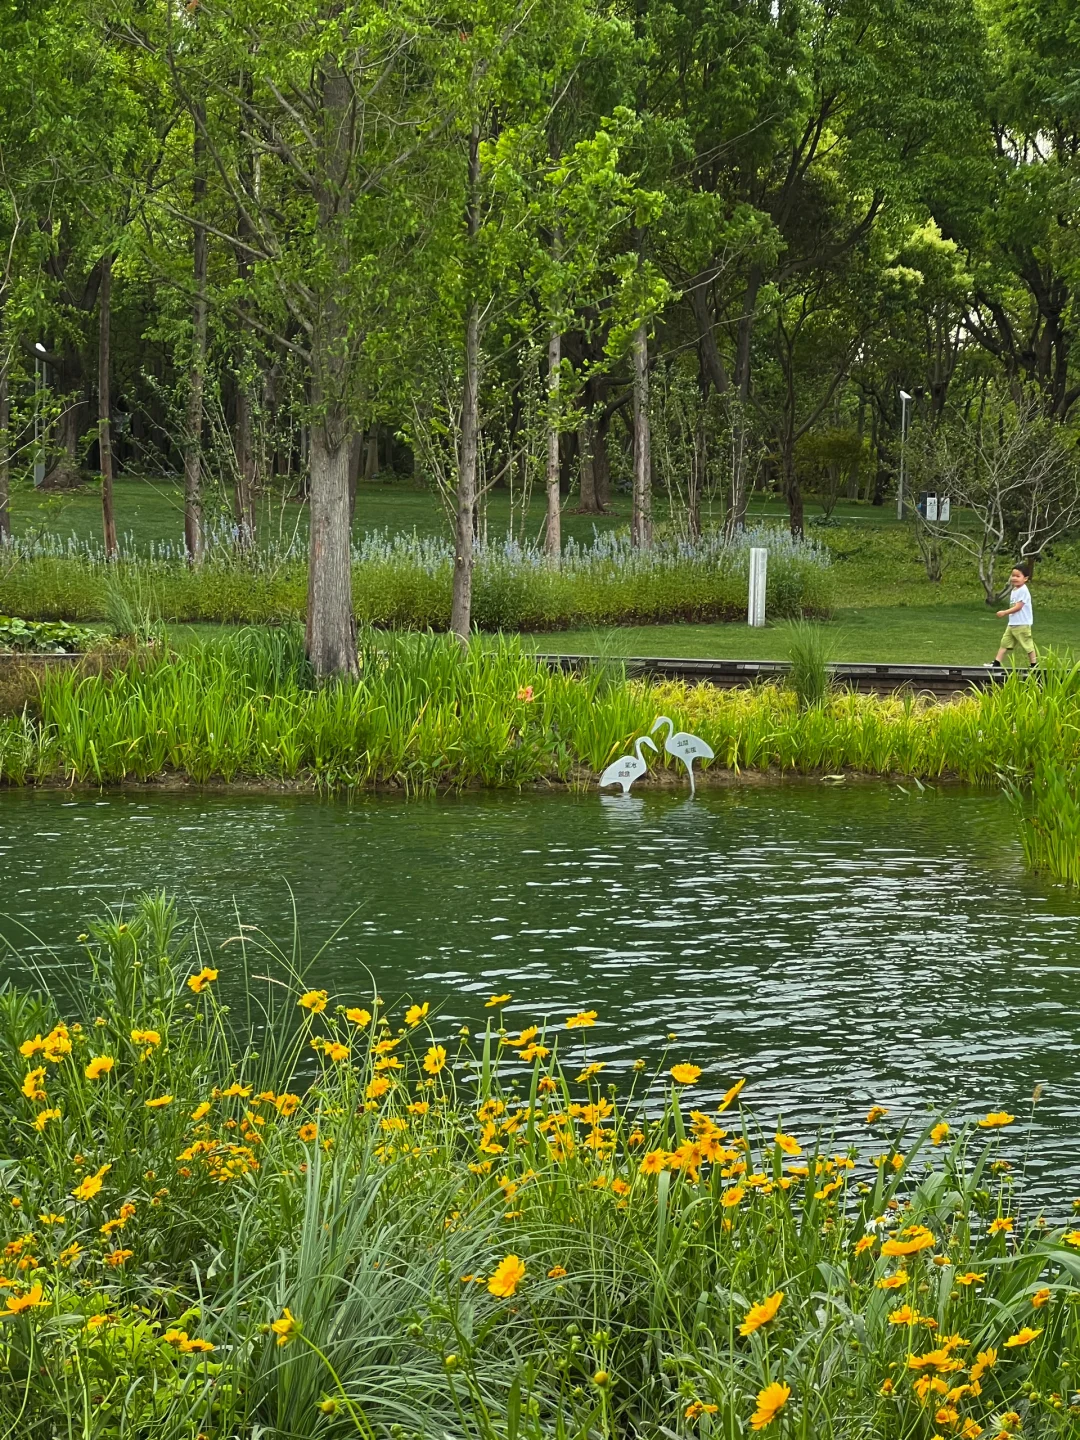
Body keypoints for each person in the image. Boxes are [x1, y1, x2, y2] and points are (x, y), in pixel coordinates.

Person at [991, 560, 1037, 670]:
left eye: (1018, 576)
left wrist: (1005, 612)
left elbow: (1018, 607)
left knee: (1027, 645)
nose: (1014, 578)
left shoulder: (1023, 590)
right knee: (1004, 643)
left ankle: (1034, 665)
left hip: (1022, 624)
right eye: (1013, 576)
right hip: (1013, 623)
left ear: (1025, 578)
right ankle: (996, 663)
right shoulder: (1015, 589)